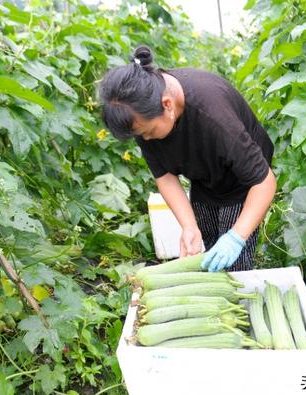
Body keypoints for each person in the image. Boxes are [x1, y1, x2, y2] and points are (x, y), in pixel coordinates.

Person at [98, 46, 276, 272]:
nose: (145, 139)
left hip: (243, 183)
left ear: (167, 105)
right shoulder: (141, 112)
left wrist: (236, 237)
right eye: (140, 134)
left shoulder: (215, 117)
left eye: (149, 132)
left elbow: (264, 182)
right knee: (209, 242)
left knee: (234, 262)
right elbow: (164, 175)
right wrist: (188, 226)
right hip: (203, 176)